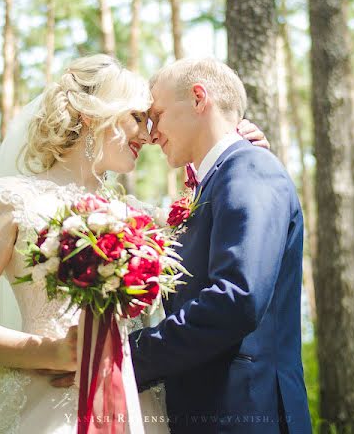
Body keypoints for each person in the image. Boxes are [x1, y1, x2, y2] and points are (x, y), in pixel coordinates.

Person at [0, 54, 269, 434]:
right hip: (43, 404)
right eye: (136, 118)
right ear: (93, 115)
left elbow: (221, 242)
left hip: (136, 403)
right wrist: (51, 352)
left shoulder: (141, 217)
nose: (147, 136)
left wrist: (237, 150)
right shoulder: (9, 202)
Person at [128, 58, 312, 434]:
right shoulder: (216, 180)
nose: (151, 134)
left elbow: (236, 298)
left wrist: (128, 355)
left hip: (245, 413)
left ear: (199, 98)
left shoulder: (249, 168)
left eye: (157, 115)